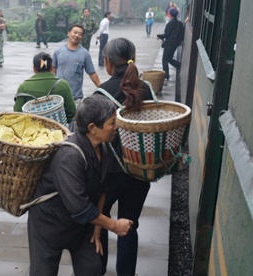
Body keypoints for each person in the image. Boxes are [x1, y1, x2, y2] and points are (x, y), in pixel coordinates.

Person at [27, 94, 134, 276]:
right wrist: (114, 226)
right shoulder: (70, 157)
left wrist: (98, 229)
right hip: (50, 225)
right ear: (93, 128)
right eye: (112, 123)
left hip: (82, 227)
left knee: (92, 269)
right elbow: (80, 208)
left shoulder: (105, 147)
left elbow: (102, 190)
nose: (116, 127)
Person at [95, 37, 153, 276]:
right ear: (133, 59)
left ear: (108, 63)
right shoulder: (146, 89)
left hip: (109, 173)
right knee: (129, 225)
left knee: (101, 222)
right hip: (139, 171)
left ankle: (97, 269)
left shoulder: (102, 93)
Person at [13, 52, 76, 123]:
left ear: (34, 69)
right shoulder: (63, 85)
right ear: (51, 67)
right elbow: (71, 111)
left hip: (33, 131)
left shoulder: (24, 87)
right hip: (58, 129)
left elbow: (17, 113)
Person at [157, 8, 184, 80]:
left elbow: (166, 34)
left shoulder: (170, 23)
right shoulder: (180, 24)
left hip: (169, 43)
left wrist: (159, 36)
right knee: (169, 58)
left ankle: (167, 75)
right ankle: (179, 66)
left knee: (165, 59)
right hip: (175, 44)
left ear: (170, 14)